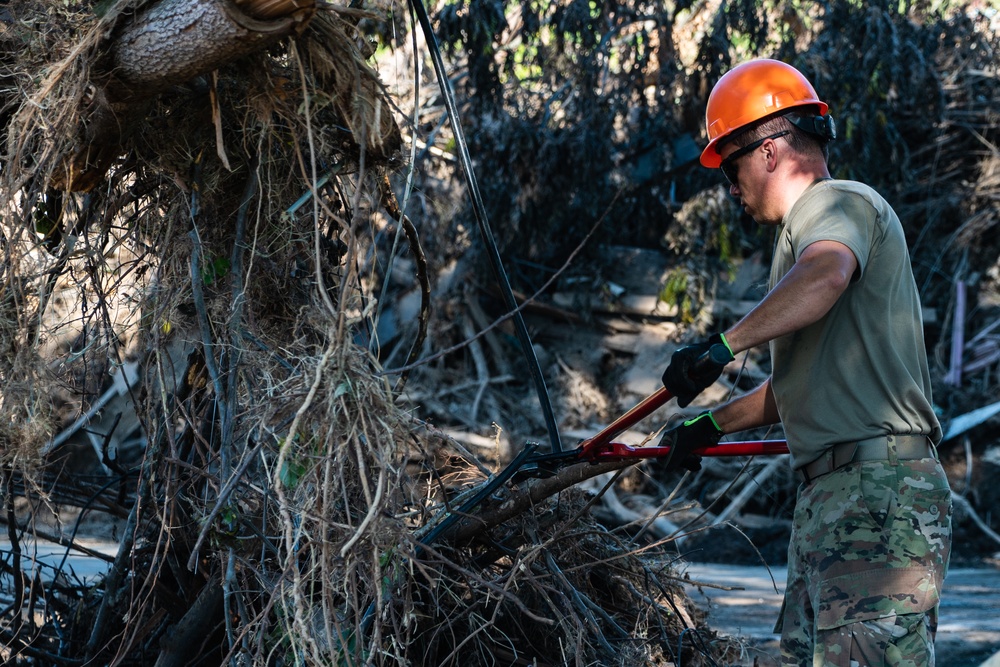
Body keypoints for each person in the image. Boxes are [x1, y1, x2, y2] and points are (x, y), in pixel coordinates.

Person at [658, 59, 953, 666]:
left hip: (876, 498)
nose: (732, 188)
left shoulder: (835, 204)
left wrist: (721, 347)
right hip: (839, 497)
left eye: (731, 168)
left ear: (770, 152)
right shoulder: (808, 235)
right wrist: (710, 426)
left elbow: (826, 274)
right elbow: (799, 384)